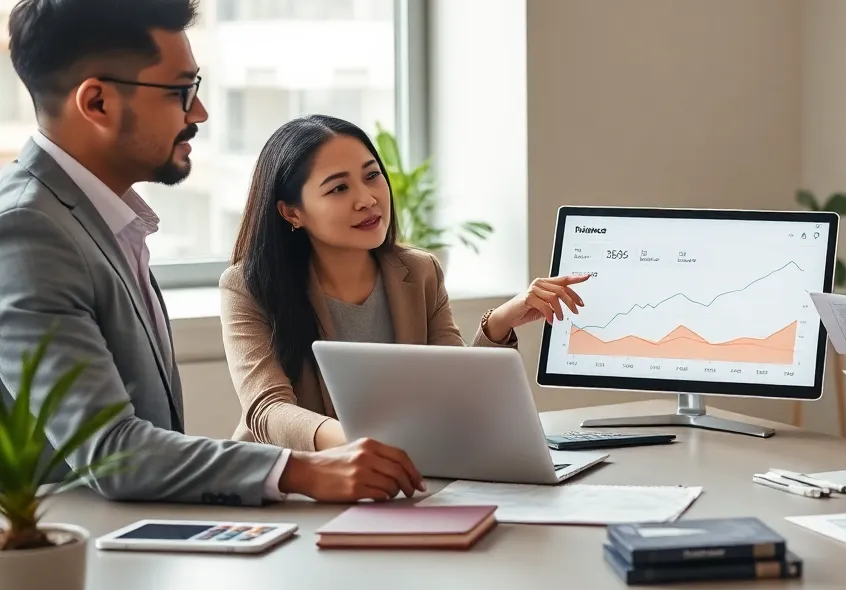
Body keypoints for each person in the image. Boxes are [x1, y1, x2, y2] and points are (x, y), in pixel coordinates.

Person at [0, 0, 429, 505]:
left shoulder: (103, 221)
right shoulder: (26, 229)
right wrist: (305, 472)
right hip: (71, 569)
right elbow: (109, 450)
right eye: (181, 91)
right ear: (97, 103)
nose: (199, 112)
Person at [220, 114, 588, 451]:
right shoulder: (248, 287)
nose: (367, 199)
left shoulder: (420, 272)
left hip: (407, 473)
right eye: (338, 189)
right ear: (292, 212)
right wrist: (369, 444)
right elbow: (268, 410)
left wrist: (499, 324)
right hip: (293, 484)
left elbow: (454, 393)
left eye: (371, 175)